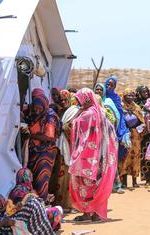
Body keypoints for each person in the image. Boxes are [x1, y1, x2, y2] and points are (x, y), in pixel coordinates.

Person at [69, 88, 118, 222]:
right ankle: (95, 213)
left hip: (87, 157)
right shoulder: (100, 113)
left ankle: (87, 213)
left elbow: (82, 133)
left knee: (85, 184)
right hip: (100, 157)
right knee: (97, 184)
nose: (79, 103)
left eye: (80, 99)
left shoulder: (88, 114)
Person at [26, 89, 61, 200]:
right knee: (34, 178)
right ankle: (39, 202)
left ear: (44, 105)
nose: (36, 110)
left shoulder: (50, 116)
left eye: (39, 108)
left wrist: (31, 136)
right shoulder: (36, 114)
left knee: (42, 178)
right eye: (35, 108)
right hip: (35, 152)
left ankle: (43, 202)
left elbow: (48, 136)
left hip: (46, 153)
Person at [8, 168, 55, 234]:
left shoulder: (25, 188)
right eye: (30, 175)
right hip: (21, 219)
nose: (32, 177)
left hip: (26, 215)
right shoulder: (20, 190)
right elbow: (22, 206)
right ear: (25, 177)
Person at [50, 90, 75, 211]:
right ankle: (60, 203)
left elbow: (75, 130)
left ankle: (69, 203)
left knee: (68, 176)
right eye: (61, 100)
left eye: (66, 100)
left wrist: (64, 128)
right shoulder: (58, 112)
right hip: (59, 149)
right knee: (59, 176)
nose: (63, 102)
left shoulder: (74, 112)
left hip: (70, 148)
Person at [105, 77, 130, 194]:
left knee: (113, 159)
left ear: (115, 86)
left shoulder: (116, 98)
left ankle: (117, 184)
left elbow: (120, 115)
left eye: (111, 85)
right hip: (102, 133)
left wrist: (122, 131)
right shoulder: (101, 98)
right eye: (107, 84)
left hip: (115, 131)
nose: (108, 87)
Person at [120, 88, 145, 188]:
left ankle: (134, 181)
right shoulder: (121, 107)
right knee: (125, 157)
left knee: (135, 157)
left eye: (132, 95)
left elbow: (142, 121)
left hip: (135, 135)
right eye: (128, 95)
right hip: (125, 134)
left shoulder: (137, 107)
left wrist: (138, 129)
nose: (130, 97)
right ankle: (124, 182)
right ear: (124, 96)